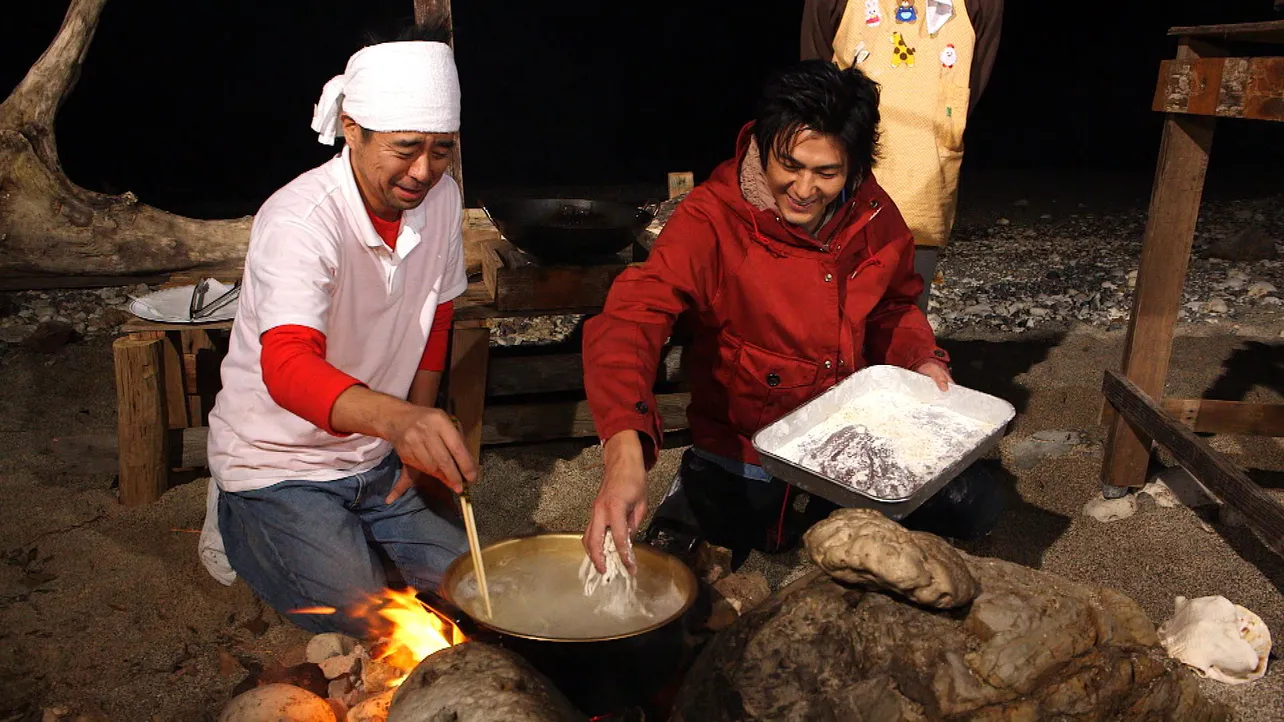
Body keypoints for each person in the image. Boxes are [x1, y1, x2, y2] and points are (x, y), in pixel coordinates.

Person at [580, 60, 1005, 575]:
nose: (804, 188)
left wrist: (921, 359)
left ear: (855, 164)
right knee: (672, 565)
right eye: (790, 165)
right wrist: (623, 447)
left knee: (979, 503)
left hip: (846, 444)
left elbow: (894, 306)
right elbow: (632, 316)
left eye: (826, 172)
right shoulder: (710, 219)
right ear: (762, 145)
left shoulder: (874, 215)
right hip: (742, 447)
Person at [197, 18, 476, 636]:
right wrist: (401, 419)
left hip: (371, 457)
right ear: (353, 129)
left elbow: (439, 312)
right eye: (406, 148)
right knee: (375, 620)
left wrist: (413, 437)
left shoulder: (442, 200)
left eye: (442, 148)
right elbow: (287, 366)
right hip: (276, 464)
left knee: (480, 586)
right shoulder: (301, 222)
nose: (425, 170)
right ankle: (235, 515)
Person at [801, 0, 1004, 311]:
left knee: (905, 316)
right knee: (837, 312)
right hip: (847, 176)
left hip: (924, 172)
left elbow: (969, 84)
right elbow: (815, 83)